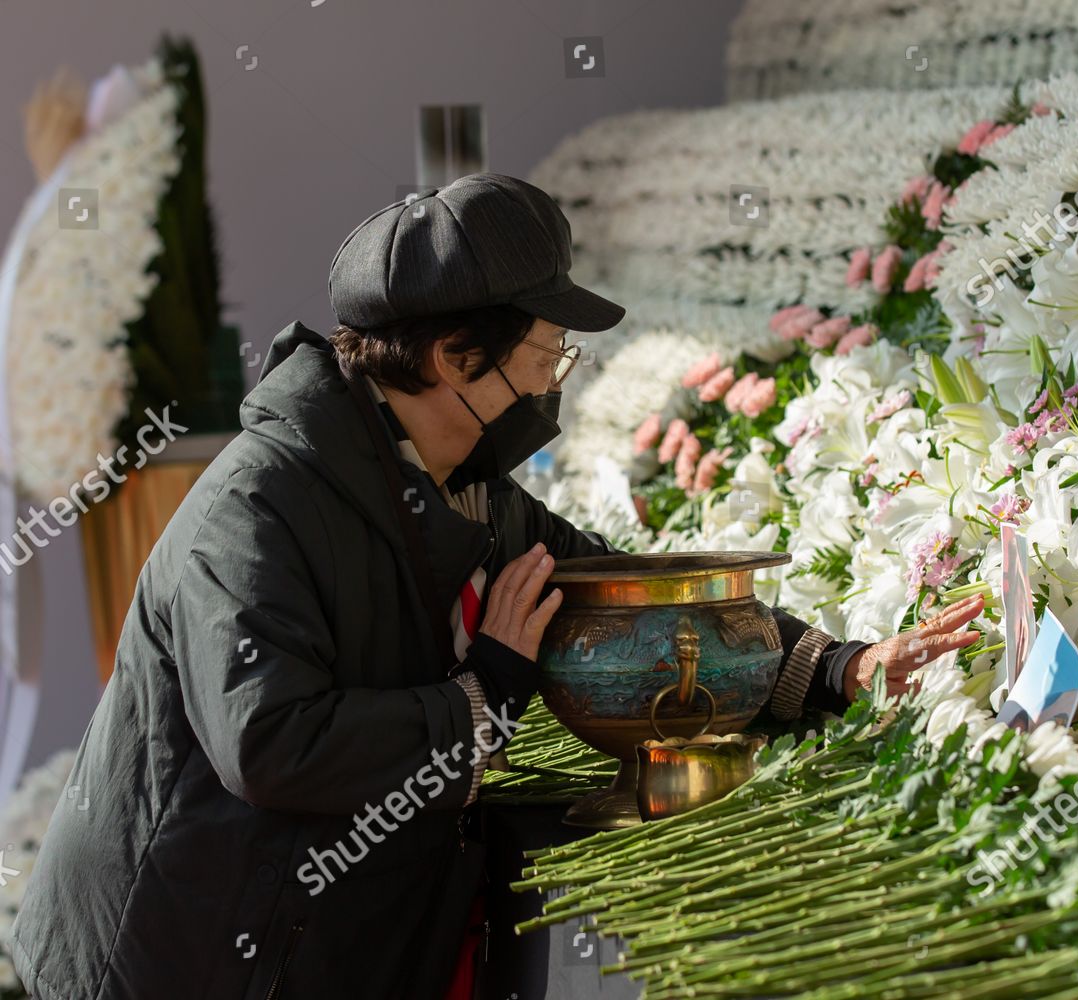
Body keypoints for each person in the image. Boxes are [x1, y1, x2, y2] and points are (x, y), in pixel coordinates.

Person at [10, 173, 983, 999]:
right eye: (543, 350)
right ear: (452, 358)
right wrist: (481, 698)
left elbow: (621, 601)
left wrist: (837, 669)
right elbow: (272, 743)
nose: (554, 377)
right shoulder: (259, 506)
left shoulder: (457, 484)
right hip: (173, 961)